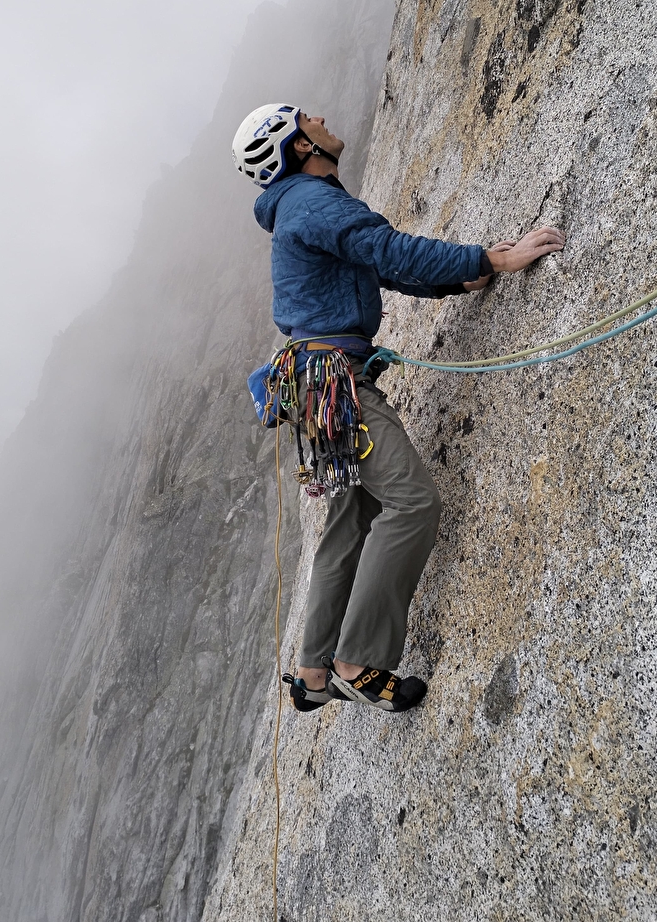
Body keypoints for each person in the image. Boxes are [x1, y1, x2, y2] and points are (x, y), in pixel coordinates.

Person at [232, 103, 565, 713]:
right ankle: (357, 661)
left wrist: (456, 280)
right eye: (308, 118)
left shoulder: (300, 209)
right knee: (412, 503)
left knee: (348, 521)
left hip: (314, 384)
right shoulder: (312, 202)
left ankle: (311, 672)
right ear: (298, 147)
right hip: (336, 384)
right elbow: (389, 252)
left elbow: (377, 268)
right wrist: (487, 260)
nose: (324, 118)